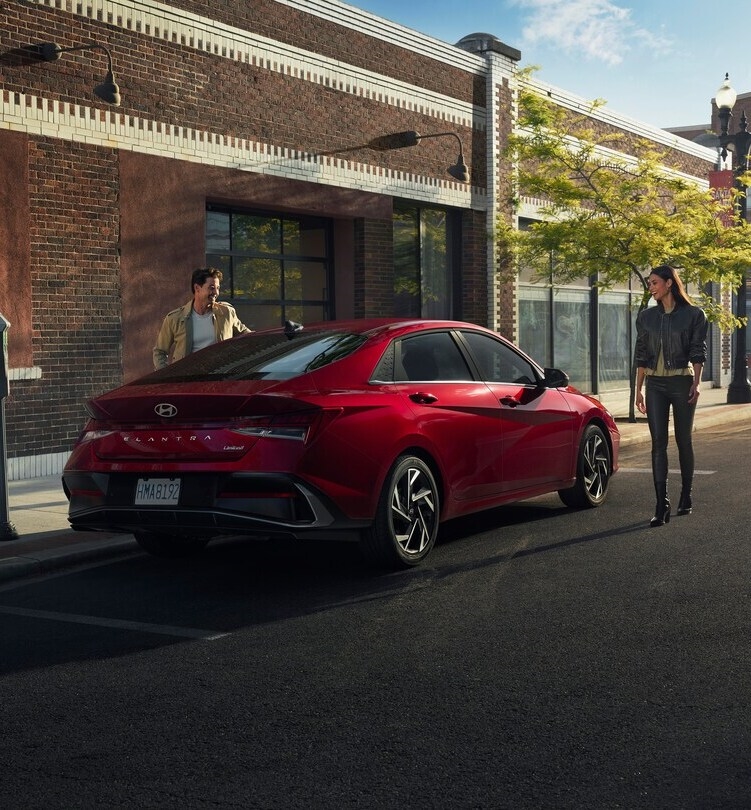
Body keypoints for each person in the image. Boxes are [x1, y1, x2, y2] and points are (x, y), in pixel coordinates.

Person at [634, 265, 708, 527]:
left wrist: (697, 383)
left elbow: (697, 352)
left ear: (668, 283)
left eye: (654, 283)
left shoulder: (693, 315)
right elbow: (641, 355)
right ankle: (661, 505)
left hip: (681, 382)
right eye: (649, 283)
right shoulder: (645, 317)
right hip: (655, 384)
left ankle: (686, 495)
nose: (650, 287)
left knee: (683, 440)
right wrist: (638, 390)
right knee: (658, 443)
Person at [153, 268, 251, 369]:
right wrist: (167, 376)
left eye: (218, 288)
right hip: (188, 380)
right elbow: (160, 351)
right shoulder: (175, 318)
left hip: (221, 377)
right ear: (197, 288)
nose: (216, 292)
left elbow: (247, 335)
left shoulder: (226, 313)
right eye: (211, 288)